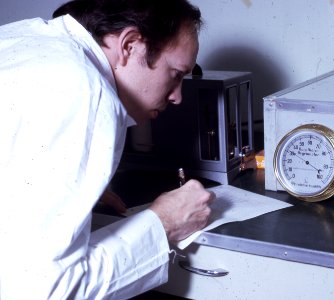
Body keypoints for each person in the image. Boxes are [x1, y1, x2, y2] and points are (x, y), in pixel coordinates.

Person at [0, 0, 215, 299]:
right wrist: (164, 224)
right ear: (129, 45)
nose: (178, 96)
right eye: (176, 74)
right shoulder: (85, 90)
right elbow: (47, 292)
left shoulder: (24, 38)